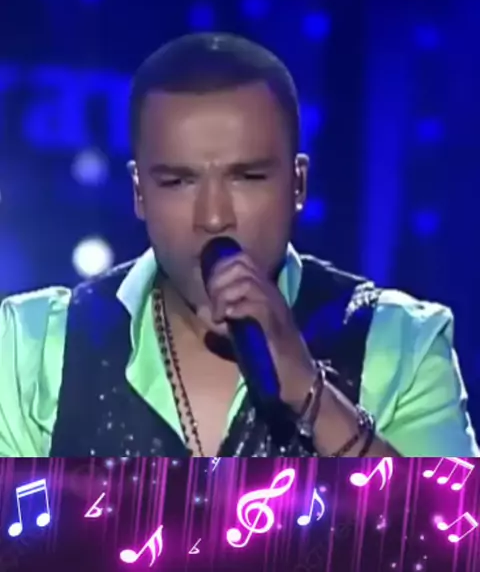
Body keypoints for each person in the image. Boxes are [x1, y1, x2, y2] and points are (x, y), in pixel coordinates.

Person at [0, 32, 478, 458]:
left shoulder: (402, 342)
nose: (213, 217)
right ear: (139, 192)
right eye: (178, 181)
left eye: (247, 177)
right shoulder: (32, 348)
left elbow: (447, 525)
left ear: (298, 184)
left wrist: (310, 392)